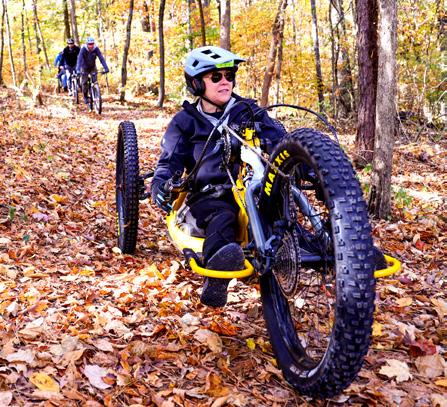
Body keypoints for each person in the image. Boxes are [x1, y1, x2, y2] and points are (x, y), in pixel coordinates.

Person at [151, 46, 284, 308]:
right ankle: (217, 275)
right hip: (210, 194)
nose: (225, 82)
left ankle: (335, 251)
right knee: (222, 219)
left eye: (229, 76)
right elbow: (169, 161)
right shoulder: (184, 122)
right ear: (196, 84)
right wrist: (161, 184)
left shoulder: (248, 111)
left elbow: (281, 141)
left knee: (280, 216)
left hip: (253, 188)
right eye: (215, 77)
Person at [76, 36, 109, 105]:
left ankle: (95, 94)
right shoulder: (83, 49)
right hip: (84, 68)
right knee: (84, 82)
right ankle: (85, 97)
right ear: (87, 44)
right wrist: (78, 69)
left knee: (95, 81)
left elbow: (101, 58)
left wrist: (106, 68)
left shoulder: (96, 49)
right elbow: (79, 60)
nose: (91, 46)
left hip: (92, 67)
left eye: (92, 44)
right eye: (89, 44)